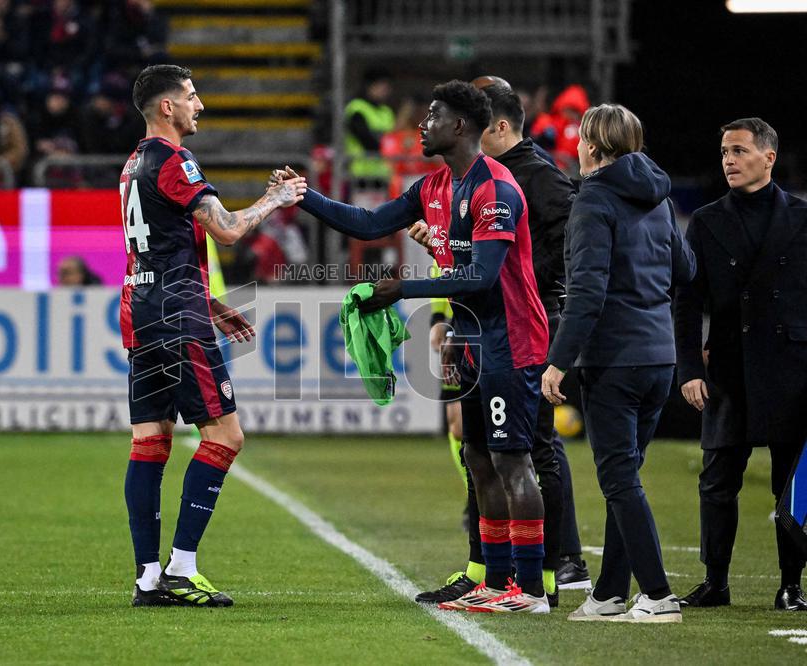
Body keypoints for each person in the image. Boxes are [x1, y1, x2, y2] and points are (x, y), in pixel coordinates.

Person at [276, 80, 552, 614]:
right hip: (473, 340)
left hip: (510, 340)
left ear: (460, 127)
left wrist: (402, 288)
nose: (420, 124)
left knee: (512, 461)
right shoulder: (435, 186)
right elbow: (370, 222)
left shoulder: (497, 189)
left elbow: (481, 276)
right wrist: (305, 195)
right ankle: (496, 582)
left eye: (432, 115)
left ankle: (533, 590)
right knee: (477, 456)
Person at [120, 64, 305, 608]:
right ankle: (182, 567)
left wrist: (211, 302)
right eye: (192, 97)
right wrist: (276, 199)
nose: (200, 105)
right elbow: (224, 228)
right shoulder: (175, 160)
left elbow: (149, 251)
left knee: (149, 440)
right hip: (178, 318)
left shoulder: (132, 165)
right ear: (167, 108)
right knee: (225, 436)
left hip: (145, 310)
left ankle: (148, 578)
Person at [413, 79, 589, 609]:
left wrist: (541, 305)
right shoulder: (467, 182)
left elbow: (561, 261)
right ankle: (489, 572)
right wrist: (448, 312)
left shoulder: (538, 182)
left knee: (532, 449)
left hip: (528, 328)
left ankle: (554, 571)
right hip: (481, 325)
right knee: (482, 449)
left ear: (500, 127)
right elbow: (468, 264)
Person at [541, 104, 696, 622]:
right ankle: (609, 593)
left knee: (619, 481)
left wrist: (558, 362)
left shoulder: (594, 200)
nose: (576, 148)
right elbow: (686, 268)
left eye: (582, 140)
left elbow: (586, 291)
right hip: (660, 357)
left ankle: (656, 594)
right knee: (626, 476)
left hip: (615, 359)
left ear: (594, 146)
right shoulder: (659, 196)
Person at [674, 117, 807, 611]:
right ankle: (716, 582)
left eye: (738, 150)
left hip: (792, 368)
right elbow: (687, 301)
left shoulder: (801, 217)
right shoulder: (707, 221)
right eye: (724, 151)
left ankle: (791, 586)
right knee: (717, 480)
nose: (727, 160)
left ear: (768, 157)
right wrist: (689, 367)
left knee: (788, 485)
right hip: (728, 368)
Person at [344, 67, 395, 185]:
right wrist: (386, 144)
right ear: (369, 86)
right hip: (361, 175)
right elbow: (367, 140)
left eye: (387, 88)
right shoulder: (357, 108)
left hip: (384, 174)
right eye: (381, 86)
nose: (385, 91)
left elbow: (395, 138)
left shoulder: (386, 111)